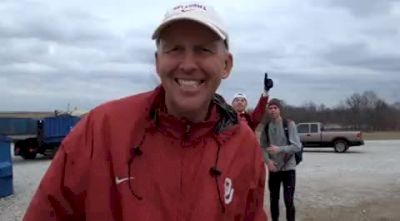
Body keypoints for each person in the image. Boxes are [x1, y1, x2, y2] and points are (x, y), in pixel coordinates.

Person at [23, 3, 267, 221]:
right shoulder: (101, 130)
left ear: (226, 64)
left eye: (203, 50)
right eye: (174, 49)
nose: (188, 64)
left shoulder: (244, 146)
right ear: (157, 61)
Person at [260, 98, 302, 221]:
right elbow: (262, 147)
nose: (272, 110)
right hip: (274, 169)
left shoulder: (289, 124)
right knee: (273, 200)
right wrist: (268, 162)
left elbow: (297, 146)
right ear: (268, 110)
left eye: (275, 108)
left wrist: (280, 149)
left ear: (279, 110)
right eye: (270, 108)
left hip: (288, 168)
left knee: (288, 200)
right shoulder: (266, 127)